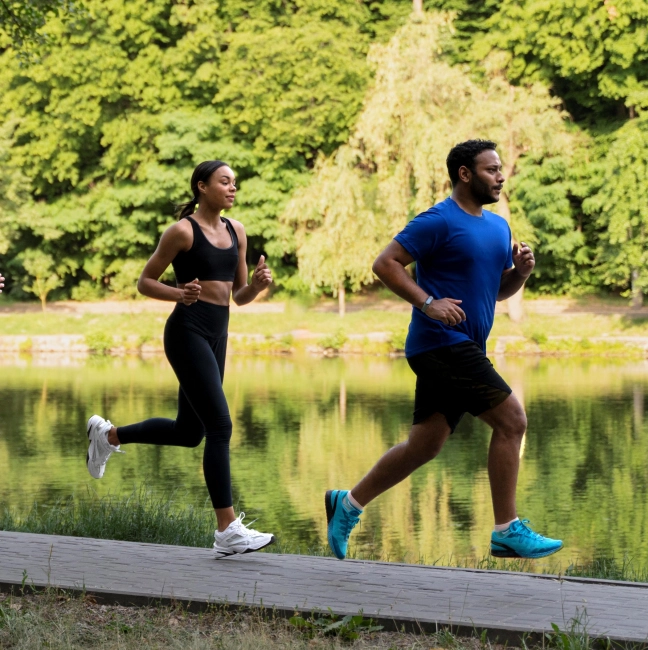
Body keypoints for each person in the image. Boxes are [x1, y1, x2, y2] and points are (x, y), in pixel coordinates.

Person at [325, 140, 563, 561]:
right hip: (438, 344)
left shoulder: (498, 227)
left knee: (425, 446)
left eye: (500, 169)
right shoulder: (438, 220)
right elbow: (385, 264)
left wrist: (521, 275)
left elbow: (497, 291)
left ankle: (348, 503)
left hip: (464, 345)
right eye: (491, 170)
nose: (500, 176)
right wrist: (427, 302)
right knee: (512, 421)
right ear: (465, 174)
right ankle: (507, 529)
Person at [85, 160, 275, 559]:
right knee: (220, 425)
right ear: (202, 186)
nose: (232, 188)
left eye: (234, 183)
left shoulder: (235, 230)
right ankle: (227, 531)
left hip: (217, 333)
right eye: (224, 181)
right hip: (186, 331)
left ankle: (109, 436)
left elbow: (237, 295)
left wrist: (256, 288)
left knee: (192, 433)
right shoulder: (182, 231)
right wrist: (179, 294)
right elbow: (145, 281)